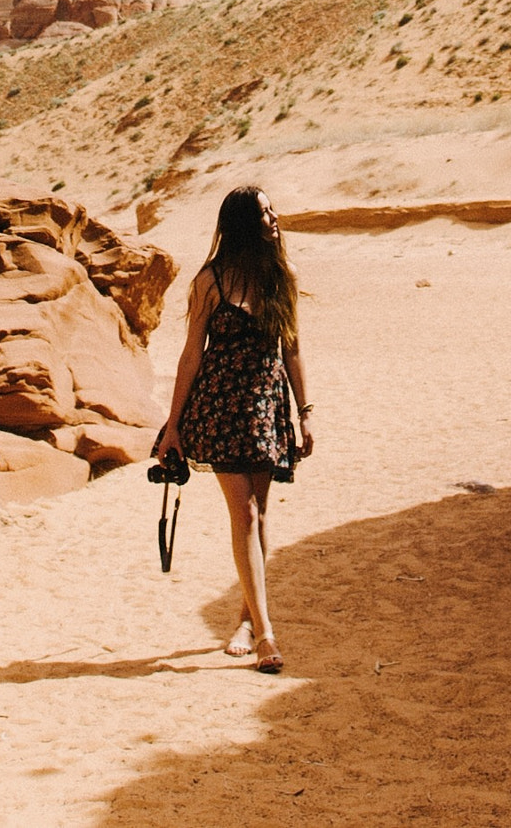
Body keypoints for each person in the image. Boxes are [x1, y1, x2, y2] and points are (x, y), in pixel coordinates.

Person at [156, 185, 314, 675]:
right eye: (264, 212)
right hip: (221, 408)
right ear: (244, 222)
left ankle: (246, 621)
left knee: (260, 515)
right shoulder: (210, 280)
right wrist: (173, 427)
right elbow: (190, 356)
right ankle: (266, 634)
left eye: (272, 209)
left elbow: (291, 349)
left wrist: (305, 411)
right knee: (243, 512)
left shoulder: (279, 276)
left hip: (266, 407)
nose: (273, 218)